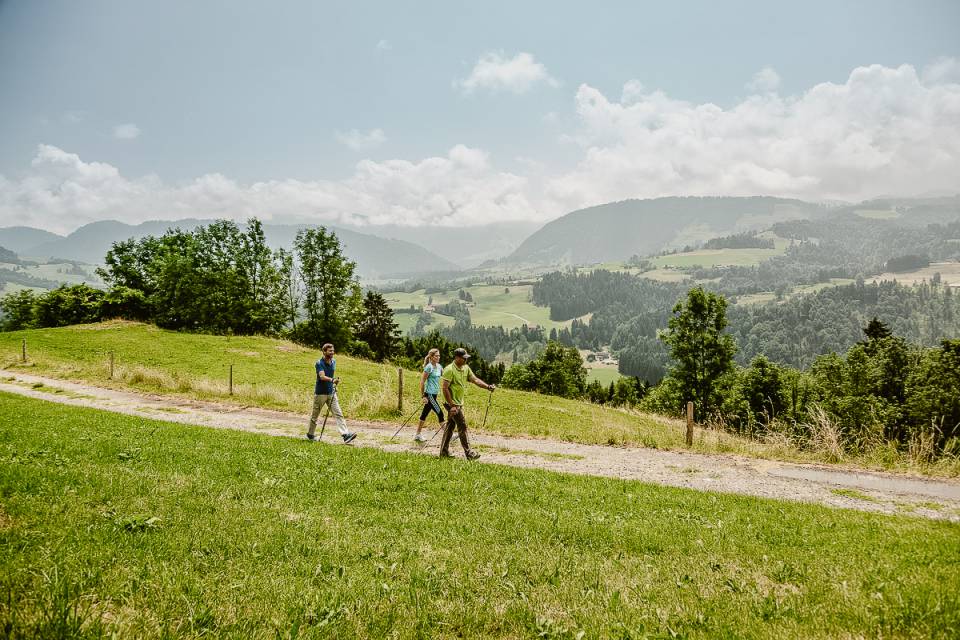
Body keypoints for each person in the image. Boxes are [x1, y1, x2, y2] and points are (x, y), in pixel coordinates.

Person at [439, 347, 495, 460]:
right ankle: (469, 453)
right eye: (464, 358)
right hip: (451, 403)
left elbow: (475, 380)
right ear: (457, 358)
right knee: (462, 425)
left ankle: (444, 452)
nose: (466, 360)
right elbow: (445, 388)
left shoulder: (466, 368)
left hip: (458, 403)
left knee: (450, 426)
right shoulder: (449, 369)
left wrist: (488, 387)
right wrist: (452, 406)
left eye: (466, 358)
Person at [306, 343, 357, 443]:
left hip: (331, 393)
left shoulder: (334, 362)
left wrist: (333, 386)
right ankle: (310, 434)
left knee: (338, 413)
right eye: (330, 351)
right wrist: (332, 380)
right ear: (324, 352)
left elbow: (330, 376)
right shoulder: (319, 363)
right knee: (315, 416)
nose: (332, 352)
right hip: (320, 394)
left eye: (333, 350)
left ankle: (345, 435)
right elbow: (322, 376)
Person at [413, 348, 444, 443]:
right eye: (436, 356)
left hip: (435, 394)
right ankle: (448, 435)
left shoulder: (439, 367)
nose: (438, 357)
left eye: (439, 355)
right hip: (429, 394)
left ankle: (417, 434)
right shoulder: (428, 367)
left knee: (424, 414)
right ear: (431, 357)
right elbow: (422, 381)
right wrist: (423, 396)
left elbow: (443, 377)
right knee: (440, 413)